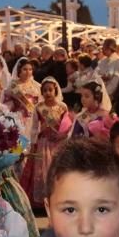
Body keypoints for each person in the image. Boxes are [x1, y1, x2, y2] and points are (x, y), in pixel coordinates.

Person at [22, 76, 71, 208]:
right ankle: (43, 202)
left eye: (50, 90)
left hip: (59, 144)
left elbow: (67, 126)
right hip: (43, 144)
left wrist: (62, 136)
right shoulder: (39, 107)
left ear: (55, 90)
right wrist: (34, 142)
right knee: (43, 172)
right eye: (44, 91)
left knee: (58, 171)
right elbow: (33, 127)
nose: (48, 93)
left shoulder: (63, 107)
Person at [4, 57, 41, 144]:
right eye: (25, 69)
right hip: (19, 117)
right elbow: (7, 103)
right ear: (19, 71)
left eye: (30, 69)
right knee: (20, 143)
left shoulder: (37, 85)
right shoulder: (13, 85)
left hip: (34, 117)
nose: (28, 72)